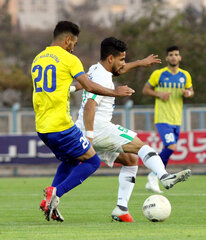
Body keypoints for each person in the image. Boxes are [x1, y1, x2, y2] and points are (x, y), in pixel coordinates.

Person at [74, 37, 192, 222]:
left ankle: (121, 209)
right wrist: (89, 137)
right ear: (111, 58)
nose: (124, 64)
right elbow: (90, 105)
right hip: (97, 129)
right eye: (122, 59)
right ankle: (164, 176)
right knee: (141, 146)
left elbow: (113, 71)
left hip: (86, 128)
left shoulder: (96, 69)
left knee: (130, 160)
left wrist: (140, 63)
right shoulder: (104, 78)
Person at [32, 21, 135, 222]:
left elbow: (60, 84)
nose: (73, 47)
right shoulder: (70, 59)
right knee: (93, 161)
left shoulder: (38, 59)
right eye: (74, 43)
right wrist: (115, 92)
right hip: (61, 125)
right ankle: (55, 193)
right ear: (68, 39)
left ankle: (49, 204)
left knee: (71, 159)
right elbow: (90, 87)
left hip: (42, 127)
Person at [142, 45, 194, 193]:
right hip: (162, 117)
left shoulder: (185, 75)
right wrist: (159, 94)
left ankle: (153, 177)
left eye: (176, 54)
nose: (173, 57)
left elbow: (191, 90)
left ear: (180, 57)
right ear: (166, 58)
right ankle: (154, 177)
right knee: (171, 147)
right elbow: (145, 89)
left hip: (177, 119)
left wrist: (188, 94)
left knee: (168, 149)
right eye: (171, 54)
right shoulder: (158, 74)